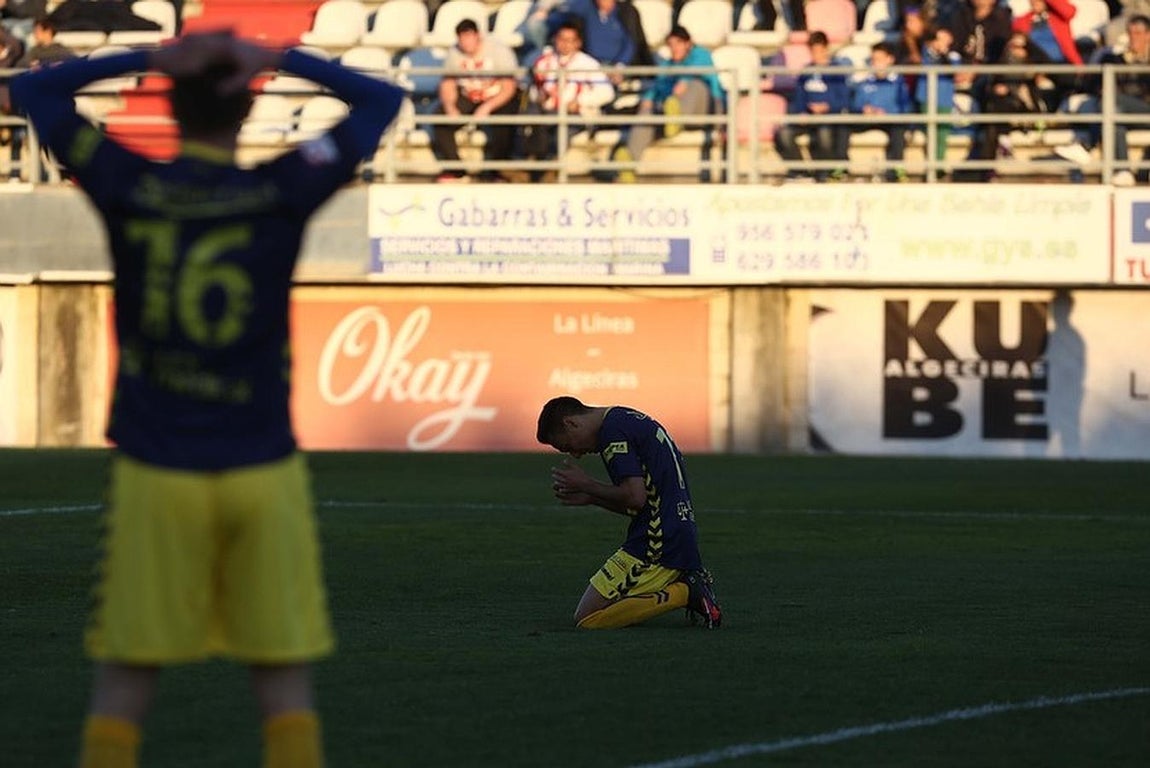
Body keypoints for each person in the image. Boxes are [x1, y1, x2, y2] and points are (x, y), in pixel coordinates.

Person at [9, 30, 402, 768]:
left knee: (126, 677)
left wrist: (150, 60)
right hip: (261, 465)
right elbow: (383, 99)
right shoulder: (280, 189)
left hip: (157, 469)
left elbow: (33, 90)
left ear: (173, 103)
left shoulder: (128, 182)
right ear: (247, 111)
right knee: (282, 682)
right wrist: (280, 59)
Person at [536, 396, 723, 630]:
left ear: (570, 423)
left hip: (657, 543)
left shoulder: (611, 433)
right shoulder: (624, 418)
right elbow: (639, 505)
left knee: (588, 618)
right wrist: (593, 497)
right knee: (603, 609)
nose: (575, 454)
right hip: (670, 531)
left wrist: (587, 484)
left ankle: (686, 591)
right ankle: (686, 584)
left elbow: (634, 497)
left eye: (567, 445)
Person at [611, 24, 724, 183]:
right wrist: (648, 98)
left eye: (678, 43)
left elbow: (701, 77)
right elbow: (658, 86)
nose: (674, 48)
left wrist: (684, 82)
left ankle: (676, 114)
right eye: (671, 45)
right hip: (670, 114)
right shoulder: (668, 64)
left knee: (695, 85)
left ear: (688, 43)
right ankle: (628, 163)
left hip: (705, 111)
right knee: (647, 112)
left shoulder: (701, 55)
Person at [1056, 14, 1150, 186]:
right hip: (1120, 110)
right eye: (1130, 32)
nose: (1133, 37)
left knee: (1110, 104)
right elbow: (1095, 85)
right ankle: (1123, 171)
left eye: (1138, 33)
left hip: (1144, 110)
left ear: (1148, 35)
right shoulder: (1117, 59)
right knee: (1113, 119)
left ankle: (1087, 145)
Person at [521, 18, 614, 181]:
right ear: (555, 40)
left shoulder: (588, 64)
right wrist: (540, 97)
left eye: (570, 40)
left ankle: (546, 169)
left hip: (577, 114)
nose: (565, 44)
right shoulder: (545, 61)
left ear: (578, 43)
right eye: (562, 39)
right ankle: (538, 168)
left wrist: (580, 101)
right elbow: (534, 89)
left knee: (558, 130)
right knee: (535, 120)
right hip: (549, 112)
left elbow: (607, 92)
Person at [432, 17, 521, 183]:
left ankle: (496, 171)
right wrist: (450, 106)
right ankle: (456, 170)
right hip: (469, 95)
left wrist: (488, 106)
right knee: (440, 116)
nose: (465, 43)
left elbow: (509, 86)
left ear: (478, 35)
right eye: (462, 39)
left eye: (468, 37)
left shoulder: (498, 50)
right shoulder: (454, 52)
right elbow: (448, 83)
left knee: (505, 120)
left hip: (496, 97)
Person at [968, 31, 1052, 180]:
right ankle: (992, 162)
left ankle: (986, 168)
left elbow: (1033, 98)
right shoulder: (999, 67)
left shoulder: (1032, 68)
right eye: (1013, 46)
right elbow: (986, 89)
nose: (1016, 50)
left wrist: (1019, 90)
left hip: (1025, 110)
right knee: (995, 109)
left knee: (994, 116)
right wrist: (997, 89)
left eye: (1021, 46)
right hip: (1000, 109)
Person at [773, 30, 851, 181]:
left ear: (826, 48)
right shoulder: (806, 72)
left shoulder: (837, 71)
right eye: (813, 50)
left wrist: (828, 107)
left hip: (828, 118)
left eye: (819, 50)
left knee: (824, 134)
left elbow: (844, 99)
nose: (817, 54)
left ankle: (825, 172)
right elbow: (799, 97)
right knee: (784, 134)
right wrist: (801, 112)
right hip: (808, 117)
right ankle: (800, 170)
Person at [849, 41, 911, 181]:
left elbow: (905, 107)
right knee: (842, 126)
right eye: (873, 60)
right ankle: (839, 170)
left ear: (890, 60)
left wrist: (887, 113)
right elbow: (855, 104)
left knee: (898, 129)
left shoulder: (899, 83)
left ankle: (895, 172)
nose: (876, 64)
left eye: (879, 59)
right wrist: (863, 109)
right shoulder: (866, 81)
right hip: (867, 120)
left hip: (889, 121)